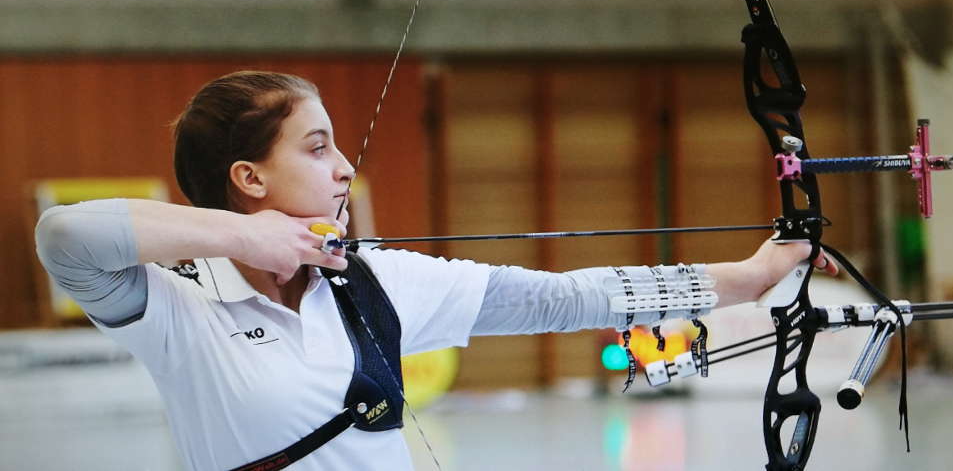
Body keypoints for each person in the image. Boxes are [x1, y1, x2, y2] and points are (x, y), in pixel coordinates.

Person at [34, 71, 839, 471]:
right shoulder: (178, 303)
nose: (344, 169)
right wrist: (244, 242)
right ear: (249, 179)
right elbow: (64, 234)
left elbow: (567, 298)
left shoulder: (376, 279)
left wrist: (742, 278)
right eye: (316, 149)